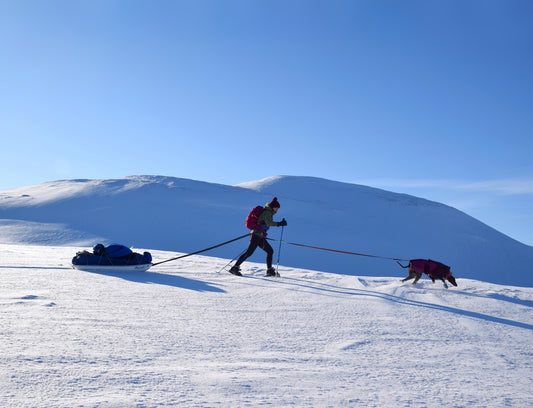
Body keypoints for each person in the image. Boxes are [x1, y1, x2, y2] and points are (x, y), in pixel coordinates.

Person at [230, 197, 287, 277]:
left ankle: (269, 270)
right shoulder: (267, 212)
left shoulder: (268, 212)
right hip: (256, 236)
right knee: (249, 252)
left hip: (260, 236)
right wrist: (279, 224)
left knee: (269, 251)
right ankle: (234, 268)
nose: (277, 210)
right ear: (273, 207)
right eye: (277, 208)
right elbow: (268, 223)